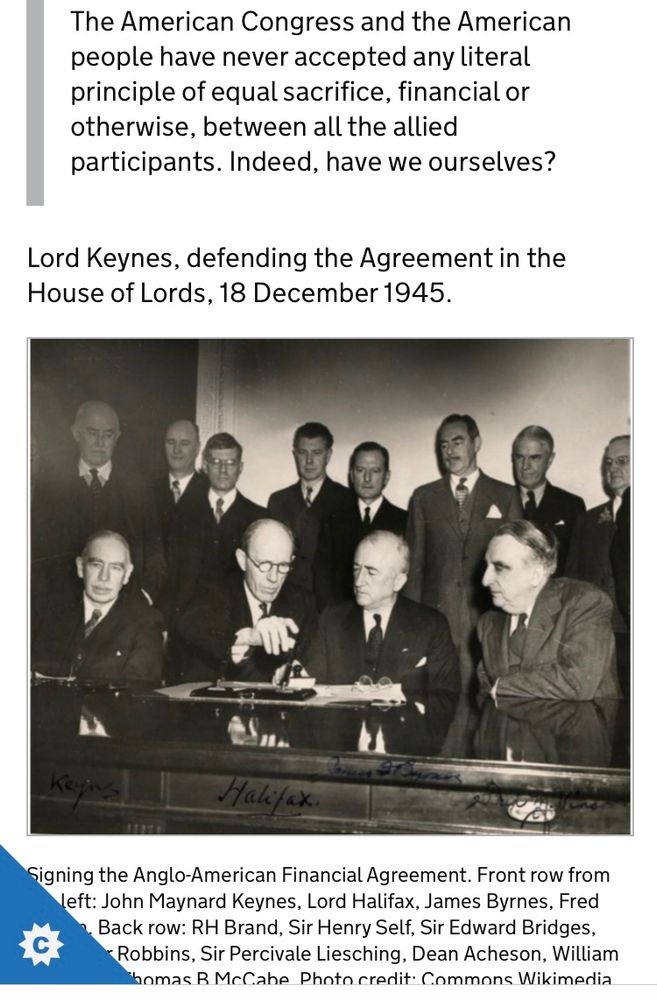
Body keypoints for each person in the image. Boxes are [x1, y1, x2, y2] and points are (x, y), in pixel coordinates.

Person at [404, 414, 522, 690]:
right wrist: (412, 624)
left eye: (457, 442)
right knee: (438, 697)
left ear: (476, 443)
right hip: (437, 620)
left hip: (490, 618)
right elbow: (415, 566)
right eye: (443, 445)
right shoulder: (423, 497)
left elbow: (517, 565)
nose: (450, 451)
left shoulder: (506, 495)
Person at [32, 400, 166, 607]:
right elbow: (37, 554)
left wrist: (144, 597)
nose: (100, 443)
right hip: (61, 608)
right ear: (76, 433)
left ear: (118, 437)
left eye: (108, 434)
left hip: (124, 609)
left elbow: (155, 555)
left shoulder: (138, 488)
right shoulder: (50, 488)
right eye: (92, 433)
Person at [477, 520, 621, 700]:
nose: (485, 580)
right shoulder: (488, 623)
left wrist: (501, 685)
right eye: (487, 566)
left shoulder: (584, 603)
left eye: (499, 568)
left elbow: (578, 683)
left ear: (535, 575)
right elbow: (485, 697)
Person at [308, 531, 459, 696]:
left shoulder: (432, 625)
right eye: (356, 569)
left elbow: (445, 698)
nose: (358, 582)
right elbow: (312, 688)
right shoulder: (331, 620)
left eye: (371, 572)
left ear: (398, 582)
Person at [177, 519, 316, 683]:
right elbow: (189, 626)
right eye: (264, 564)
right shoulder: (213, 591)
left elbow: (310, 660)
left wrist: (291, 671)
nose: (274, 578)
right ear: (242, 560)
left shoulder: (301, 602)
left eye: (283, 565)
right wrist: (247, 637)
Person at [32, 531, 164, 688]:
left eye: (115, 568)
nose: (104, 577)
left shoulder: (146, 623)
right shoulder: (46, 610)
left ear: (127, 574)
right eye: (96, 565)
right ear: (81, 567)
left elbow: (136, 695)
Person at [565, 434, 631, 693]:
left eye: (623, 461)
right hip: (596, 634)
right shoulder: (587, 520)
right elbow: (572, 580)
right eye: (609, 462)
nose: (613, 468)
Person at [314, 441, 407, 608]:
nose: (367, 478)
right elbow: (323, 579)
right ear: (351, 475)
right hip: (342, 620)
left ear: (386, 476)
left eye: (375, 471)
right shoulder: (333, 521)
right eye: (360, 470)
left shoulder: (404, 521)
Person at [268, 422, 352, 595]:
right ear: (294, 455)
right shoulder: (278, 500)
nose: (309, 460)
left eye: (317, 453)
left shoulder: (347, 500)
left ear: (328, 455)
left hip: (331, 604)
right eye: (302, 452)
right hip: (287, 599)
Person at [153, 419, 209, 630]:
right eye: (171, 442)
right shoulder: (148, 491)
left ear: (197, 447)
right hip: (153, 610)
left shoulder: (211, 492)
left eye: (184, 443)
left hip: (194, 614)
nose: (177, 450)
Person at [511, 425, 585, 575]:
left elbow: (576, 565)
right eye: (520, 457)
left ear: (550, 460)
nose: (525, 466)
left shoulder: (571, 505)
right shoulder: (499, 499)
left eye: (534, 458)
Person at [197, 432, 267, 585]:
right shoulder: (185, 512)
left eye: (230, 463)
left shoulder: (259, 518)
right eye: (216, 462)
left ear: (240, 467)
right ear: (204, 466)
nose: (223, 470)